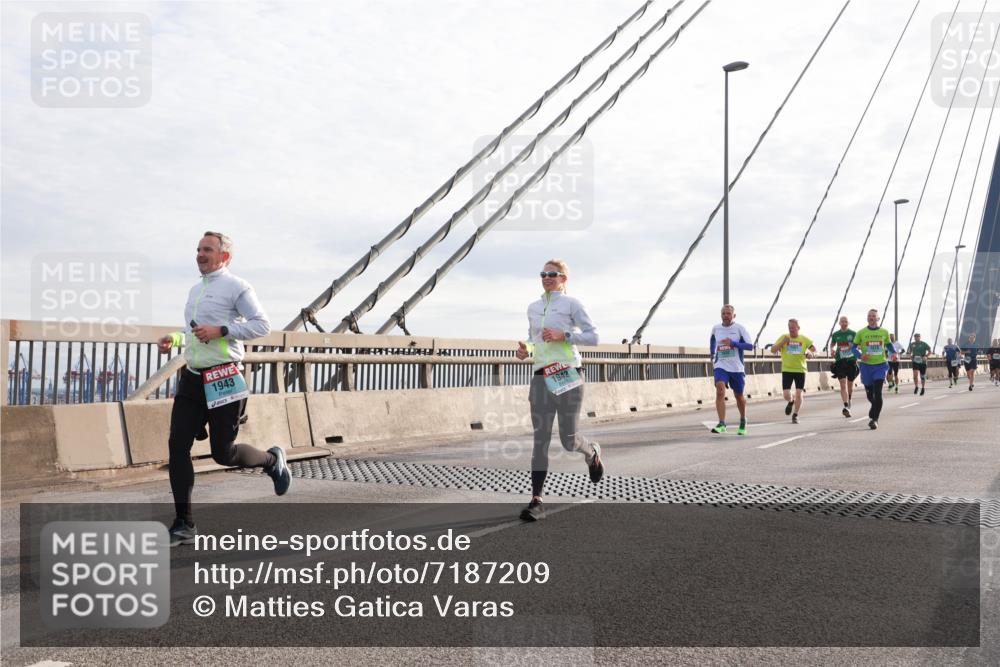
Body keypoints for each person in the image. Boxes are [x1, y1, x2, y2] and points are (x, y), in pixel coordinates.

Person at [157, 231, 290, 546]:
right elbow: (192, 332)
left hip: (224, 378)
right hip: (192, 378)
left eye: (207, 250)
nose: (200, 254)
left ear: (224, 256)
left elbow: (261, 325)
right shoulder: (195, 291)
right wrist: (174, 339)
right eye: (198, 249)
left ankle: (272, 460)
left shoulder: (237, 287)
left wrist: (222, 330)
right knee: (177, 447)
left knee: (223, 453)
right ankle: (183, 524)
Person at [515, 260, 602, 522]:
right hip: (541, 376)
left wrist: (565, 335)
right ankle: (537, 500)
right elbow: (534, 340)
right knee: (540, 439)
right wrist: (525, 350)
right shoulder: (533, 307)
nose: (546, 277)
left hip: (568, 374)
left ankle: (591, 453)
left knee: (568, 439)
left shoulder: (573, 304)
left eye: (552, 274)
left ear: (564, 278)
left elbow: (593, 337)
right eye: (543, 273)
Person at [709, 304, 754, 435]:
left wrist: (733, 343)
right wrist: (712, 354)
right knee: (720, 391)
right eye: (723, 313)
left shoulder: (739, 328)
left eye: (728, 313)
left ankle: (743, 420)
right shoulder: (716, 328)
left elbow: (750, 346)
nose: (726, 316)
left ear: (734, 315)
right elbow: (712, 340)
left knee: (739, 396)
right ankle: (721, 423)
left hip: (736, 367)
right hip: (721, 365)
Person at [852, 309, 893, 430]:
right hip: (866, 367)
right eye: (869, 316)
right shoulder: (861, 333)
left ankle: (874, 419)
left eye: (873, 316)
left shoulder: (884, 332)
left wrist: (894, 353)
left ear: (878, 318)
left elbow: (889, 345)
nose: (871, 317)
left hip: (880, 365)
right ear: (867, 318)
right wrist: (860, 355)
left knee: (878, 392)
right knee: (870, 395)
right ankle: (873, 408)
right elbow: (853, 348)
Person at [770, 318, 816, 424]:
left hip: (800, 369)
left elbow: (814, 349)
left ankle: (795, 414)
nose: (791, 329)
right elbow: (773, 350)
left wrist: (810, 353)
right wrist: (782, 342)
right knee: (786, 394)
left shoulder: (804, 339)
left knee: (799, 393)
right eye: (789, 327)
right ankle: (791, 401)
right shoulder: (784, 337)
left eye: (793, 327)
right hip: (787, 369)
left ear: (798, 328)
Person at [829, 316, 859, 417]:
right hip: (840, 361)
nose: (844, 323)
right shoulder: (836, 334)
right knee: (842, 384)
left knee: (850, 384)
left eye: (845, 321)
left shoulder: (853, 333)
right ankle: (846, 406)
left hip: (851, 361)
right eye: (842, 321)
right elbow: (832, 344)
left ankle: (849, 399)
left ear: (848, 323)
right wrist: (832, 349)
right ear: (839, 323)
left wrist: (853, 346)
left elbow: (859, 345)